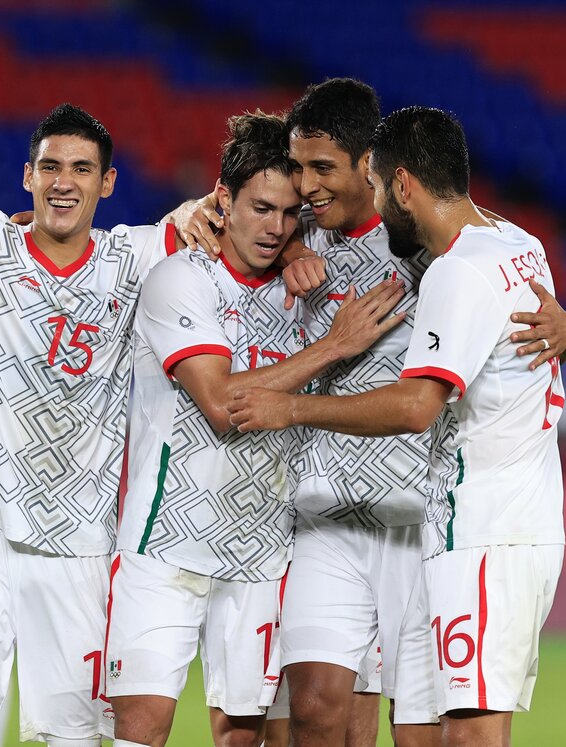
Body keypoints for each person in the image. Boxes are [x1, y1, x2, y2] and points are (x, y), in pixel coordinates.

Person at [175, 78, 566, 747]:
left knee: (423, 730)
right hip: (326, 508)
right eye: (298, 169)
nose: (305, 186)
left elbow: (488, 308)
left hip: (419, 511)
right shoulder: (294, 231)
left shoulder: (428, 247)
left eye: (321, 168)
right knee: (316, 709)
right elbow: (219, 211)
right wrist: (204, 214)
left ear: (373, 169)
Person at [0, 8, 201, 747]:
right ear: (27, 175)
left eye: (82, 169)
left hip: (80, 545)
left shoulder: (133, 256)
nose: (64, 183)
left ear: (108, 182)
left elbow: (229, 214)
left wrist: (258, 231)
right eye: (51, 167)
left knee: (72, 739)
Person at [105, 112, 404, 747]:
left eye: (291, 214)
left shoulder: (307, 282)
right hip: (167, 546)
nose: (275, 227)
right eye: (261, 208)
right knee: (140, 729)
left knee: (244, 736)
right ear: (222, 199)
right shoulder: (182, 278)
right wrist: (332, 346)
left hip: (262, 555)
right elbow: (220, 401)